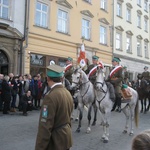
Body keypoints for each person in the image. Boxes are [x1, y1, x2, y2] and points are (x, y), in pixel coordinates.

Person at [35, 64, 73, 150]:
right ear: (61, 78)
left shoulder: (50, 97)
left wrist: (39, 147)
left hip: (55, 142)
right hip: (66, 138)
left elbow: (45, 125)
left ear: (48, 78)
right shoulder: (67, 93)